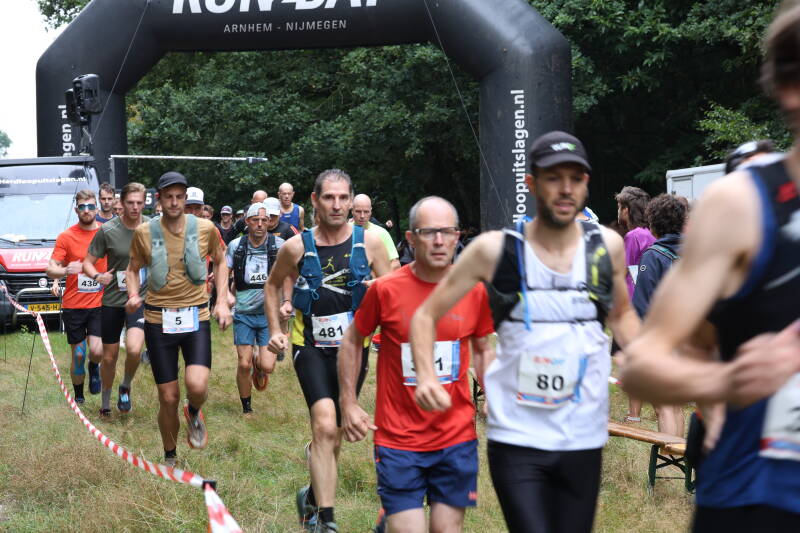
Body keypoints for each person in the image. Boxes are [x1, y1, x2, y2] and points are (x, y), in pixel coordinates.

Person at [620, 5, 800, 530]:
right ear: (790, 87)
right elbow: (641, 364)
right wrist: (727, 380)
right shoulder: (742, 205)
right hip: (759, 502)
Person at [410, 131, 640, 533]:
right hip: (518, 437)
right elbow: (426, 315)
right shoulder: (494, 250)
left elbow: (622, 315)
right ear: (532, 184)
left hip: (582, 435)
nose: (565, 188)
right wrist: (427, 375)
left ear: (586, 184)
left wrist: (647, 358)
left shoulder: (606, 246)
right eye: (553, 178)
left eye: (575, 178)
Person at [339, 196, 495, 533]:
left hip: (455, 436)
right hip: (398, 439)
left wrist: (492, 394)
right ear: (411, 239)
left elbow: (483, 348)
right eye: (428, 232)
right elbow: (352, 340)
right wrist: (348, 402)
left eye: (447, 232)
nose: (439, 241)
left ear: (457, 237)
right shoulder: (385, 290)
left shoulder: (473, 290)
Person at [265, 169, 391, 532]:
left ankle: (311, 497)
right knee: (323, 425)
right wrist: (275, 331)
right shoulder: (296, 247)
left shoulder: (371, 244)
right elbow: (272, 286)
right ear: (315, 201)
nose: (336, 205)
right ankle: (327, 521)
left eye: (342, 198)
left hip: (355, 349)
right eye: (329, 197)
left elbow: (391, 291)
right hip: (310, 346)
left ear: (351, 201)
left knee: (332, 435)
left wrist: (378, 291)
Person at [126, 171, 232, 467]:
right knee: (168, 397)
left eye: (179, 197)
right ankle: (170, 456)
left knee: (197, 386)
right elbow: (132, 269)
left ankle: (194, 411)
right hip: (158, 320)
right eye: (168, 197)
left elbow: (221, 262)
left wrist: (222, 301)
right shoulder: (144, 233)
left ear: (185, 199)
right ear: (159, 200)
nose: (174, 202)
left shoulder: (206, 229)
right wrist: (133, 294)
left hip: (196, 317)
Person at [83, 182, 149, 417]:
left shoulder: (152, 228)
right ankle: (105, 403)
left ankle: (126, 386)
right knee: (109, 358)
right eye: (130, 202)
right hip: (112, 300)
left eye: (139, 203)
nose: (135, 207)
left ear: (144, 203)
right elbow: (87, 263)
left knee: (134, 349)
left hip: (139, 299)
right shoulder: (108, 230)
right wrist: (98, 276)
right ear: (122, 202)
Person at [630, 193, 688, 437]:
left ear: (653, 223)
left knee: (663, 406)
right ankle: (679, 458)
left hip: (662, 339)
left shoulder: (653, 256)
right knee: (677, 406)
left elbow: (642, 306)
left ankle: (669, 458)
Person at [226, 202, 287, 414]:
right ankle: (247, 408)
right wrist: (225, 295)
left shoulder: (279, 245)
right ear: (247, 222)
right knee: (243, 364)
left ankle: (259, 364)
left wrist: (287, 302)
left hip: (269, 316)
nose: (260, 224)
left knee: (268, 366)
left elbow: (290, 275)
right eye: (255, 220)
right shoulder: (236, 246)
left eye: (264, 220)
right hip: (243, 313)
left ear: (269, 222)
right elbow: (224, 271)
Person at [47, 190, 106, 404]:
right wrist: (64, 271)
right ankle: (79, 396)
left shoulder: (106, 233)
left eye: (90, 206)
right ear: (76, 210)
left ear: (97, 208)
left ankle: (94, 366)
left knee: (97, 350)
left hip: (100, 304)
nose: (87, 210)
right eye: (82, 207)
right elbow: (50, 269)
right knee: (79, 354)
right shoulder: (66, 236)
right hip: (74, 306)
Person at [615, 185, 655, 423]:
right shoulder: (649, 233)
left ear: (627, 210)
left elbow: (625, 271)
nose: (618, 211)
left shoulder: (632, 236)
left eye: (620, 206)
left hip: (632, 303)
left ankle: (634, 415)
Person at [352, 194, 400, 271]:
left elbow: (395, 264)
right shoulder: (343, 232)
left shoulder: (382, 232)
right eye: (358, 211)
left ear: (371, 211)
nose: (362, 216)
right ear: (352, 210)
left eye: (366, 212)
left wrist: (375, 276)